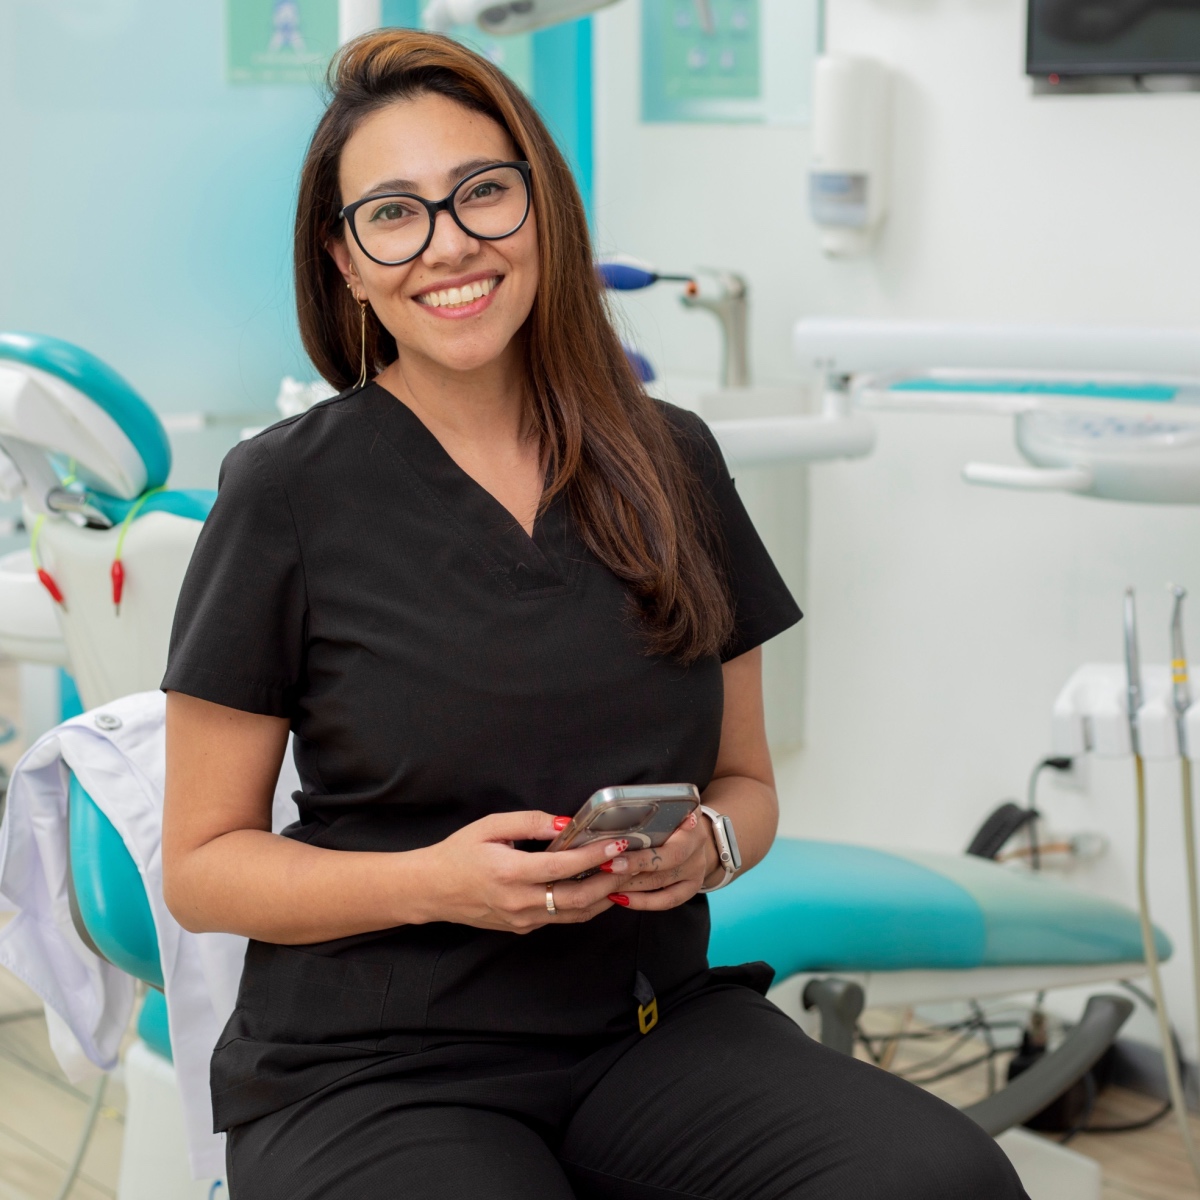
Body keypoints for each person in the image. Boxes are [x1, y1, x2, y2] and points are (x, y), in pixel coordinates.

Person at [161, 28, 1028, 1200]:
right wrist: (437, 883)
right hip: (375, 1067)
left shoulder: (669, 460)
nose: (450, 243)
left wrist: (706, 847)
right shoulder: (286, 492)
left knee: (939, 1182)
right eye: (395, 214)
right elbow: (205, 868)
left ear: (543, 211)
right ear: (347, 260)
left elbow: (747, 786)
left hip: (648, 1029)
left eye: (483, 194)